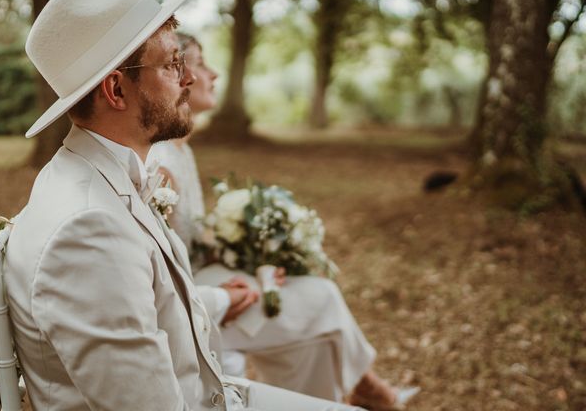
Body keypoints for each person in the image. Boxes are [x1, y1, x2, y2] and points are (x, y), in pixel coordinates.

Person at [3, 0, 364, 410]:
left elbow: (152, 308)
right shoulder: (87, 230)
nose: (188, 79)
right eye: (173, 63)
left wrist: (220, 298)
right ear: (116, 89)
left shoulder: (98, 177)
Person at [150, 34, 420, 410]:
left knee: (314, 340)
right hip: (196, 298)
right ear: (180, 74)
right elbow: (160, 266)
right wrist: (227, 288)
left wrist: (249, 257)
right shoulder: (160, 164)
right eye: (201, 62)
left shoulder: (183, 150)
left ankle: (349, 394)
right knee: (321, 296)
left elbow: (194, 238)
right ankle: (371, 391)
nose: (213, 74)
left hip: (213, 274)